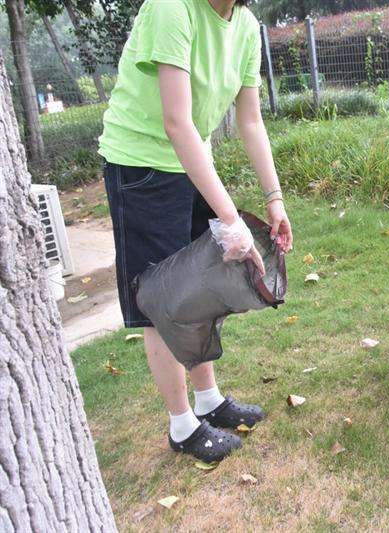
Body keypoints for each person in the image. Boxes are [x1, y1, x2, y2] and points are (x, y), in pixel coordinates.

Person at [98, 0, 292, 462]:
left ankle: (208, 400)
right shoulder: (171, 8)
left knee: (199, 285)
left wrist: (274, 197)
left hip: (191, 163)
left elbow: (250, 119)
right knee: (160, 298)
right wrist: (230, 219)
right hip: (140, 165)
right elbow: (176, 121)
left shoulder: (244, 25)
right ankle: (182, 425)